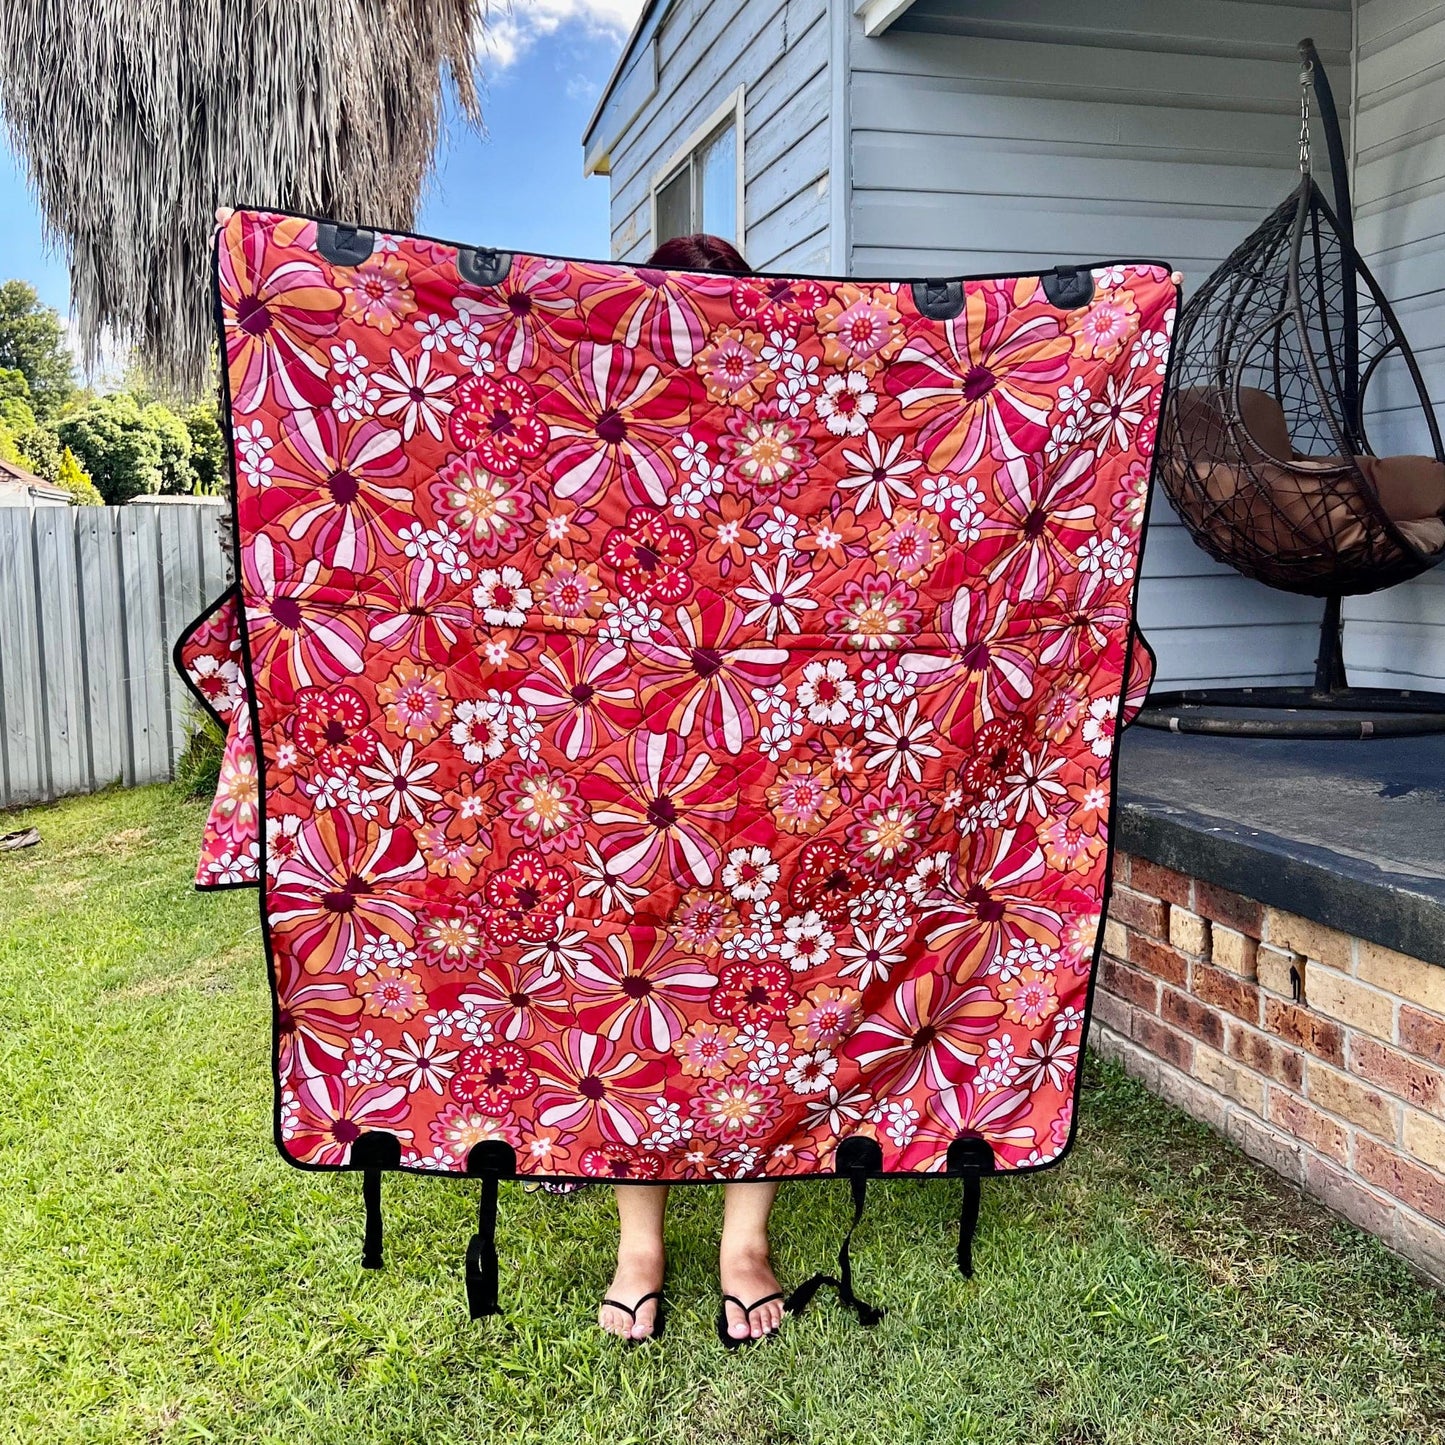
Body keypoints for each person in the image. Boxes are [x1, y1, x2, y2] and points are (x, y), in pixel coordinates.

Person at [596, 232, 785, 1349]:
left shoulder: (784, 439)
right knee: (633, 987)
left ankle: (742, 1243)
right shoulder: (599, 433)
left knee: (760, 991)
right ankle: (640, 1247)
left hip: (765, 766)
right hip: (622, 763)